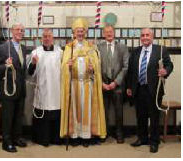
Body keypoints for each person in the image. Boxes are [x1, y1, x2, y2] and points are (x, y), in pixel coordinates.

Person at [60, 18, 106, 147]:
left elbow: (97, 65)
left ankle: (86, 136)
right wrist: (67, 66)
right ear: (74, 33)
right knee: (74, 110)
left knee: (86, 109)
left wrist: (93, 69)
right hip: (73, 84)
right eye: (77, 31)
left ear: (85, 32)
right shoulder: (69, 47)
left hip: (87, 84)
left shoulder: (91, 47)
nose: (80, 33)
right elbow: (63, 66)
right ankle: (74, 136)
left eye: (82, 31)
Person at [127, 28, 173, 153]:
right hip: (139, 89)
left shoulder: (161, 50)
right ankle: (142, 139)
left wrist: (165, 71)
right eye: (143, 35)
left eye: (147, 35)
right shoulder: (136, 52)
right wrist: (129, 87)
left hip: (154, 89)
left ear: (152, 37)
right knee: (140, 116)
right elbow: (131, 71)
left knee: (154, 117)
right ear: (140, 38)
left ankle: (154, 141)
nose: (145, 37)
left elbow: (169, 65)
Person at [0, 23, 27, 152]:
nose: (20, 32)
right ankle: (6, 142)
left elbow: (22, 69)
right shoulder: (4, 48)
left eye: (22, 30)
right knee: (8, 117)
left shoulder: (24, 48)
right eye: (18, 30)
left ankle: (16, 138)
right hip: (8, 89)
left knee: (18, 116)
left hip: (21, 88)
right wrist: (5, 66)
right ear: (12, 31)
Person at [27, 29, 63, 146]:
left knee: (55, 110)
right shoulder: (36, 52)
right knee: (43, 113)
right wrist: (33, 63)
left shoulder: (60, 52)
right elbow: (30, 72)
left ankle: (56, 139)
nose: (47, 38)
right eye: (45, 36)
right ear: (42, 38)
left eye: (49, 36)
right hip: (42, 89)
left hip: (56, 89)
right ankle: (43, 139)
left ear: (53, 38)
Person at [98, 25, 129, 143]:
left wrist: (116, 82)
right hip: (103, 85)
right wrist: (101, 83)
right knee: (103, 111)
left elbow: (126, 67)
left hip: (118, 85)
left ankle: (119, 134)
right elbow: (96, 66)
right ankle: (104, 133)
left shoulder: (122, 47)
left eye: (110, 31)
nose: (109, 33)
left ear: (114, 33)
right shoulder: (98, 47)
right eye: (106, 32)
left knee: (118, 111)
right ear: (103, 34)